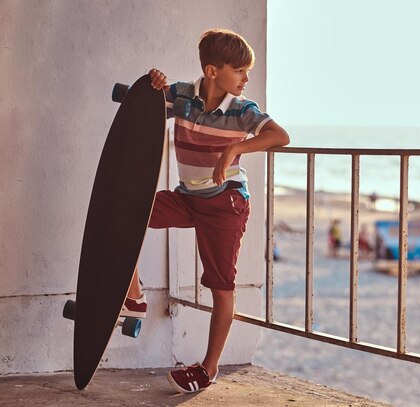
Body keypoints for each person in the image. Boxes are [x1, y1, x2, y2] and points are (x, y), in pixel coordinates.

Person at [120, 28, 290, 394]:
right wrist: (155, 82)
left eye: (248, 71)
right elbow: (149, 100)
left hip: (225, 205)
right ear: (212, 71)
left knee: (220, 286)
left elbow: (280, 135)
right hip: (188, 197)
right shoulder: (183, 94)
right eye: (240, 70)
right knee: (125, 212)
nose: (246, 78)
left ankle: (208, 369)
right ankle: (134, 297)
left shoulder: (243, 110)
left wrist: (233, 151)